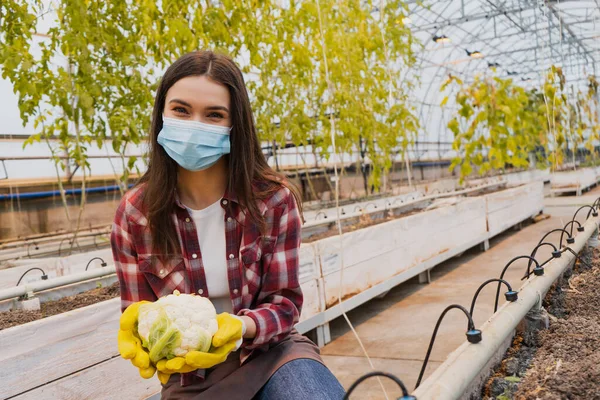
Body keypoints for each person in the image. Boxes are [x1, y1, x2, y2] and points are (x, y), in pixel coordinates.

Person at [110, 50, 345, 400]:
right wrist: (142, 336)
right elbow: (140, 312)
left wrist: (239, 328)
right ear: (162, 114)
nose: (194, 126)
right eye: (181, 110)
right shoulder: (135, 214)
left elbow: (284, 303)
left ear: (235, 126)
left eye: (214, 115)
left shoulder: (272, 201)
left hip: (271, 355)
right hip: (190, 376)